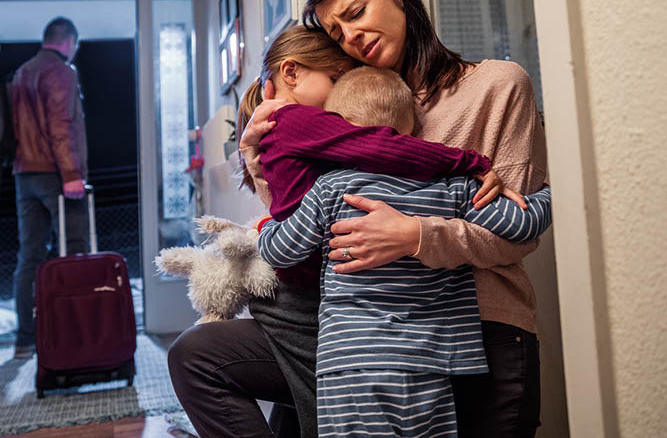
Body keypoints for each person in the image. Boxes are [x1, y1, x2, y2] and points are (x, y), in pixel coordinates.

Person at [251, 0, 546, 436]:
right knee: (204, 354)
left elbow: (514, 235)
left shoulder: (496, 85)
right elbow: (307, 215)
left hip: (480, 330)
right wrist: (255, 157)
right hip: (370, 337)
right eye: (337, 32)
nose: (351, 36)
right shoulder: (349, 104)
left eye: (356, 12)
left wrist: (415, 236)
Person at [168, 26, 509, 438]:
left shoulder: (294, 130)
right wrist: (468, 161)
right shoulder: (297, 121)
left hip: (325, 297)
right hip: (314, 291)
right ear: (292, 73)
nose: (341, 98)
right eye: (335, 81)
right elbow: (379, 145)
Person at [10, 16, 88, 359]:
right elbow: (61, 124)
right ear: (68, 41)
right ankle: (74, 335)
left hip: (24, 174)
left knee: (30, 257)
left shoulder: (22, 71)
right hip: (55, 174)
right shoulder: (61, 72)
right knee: (74, 249)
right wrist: (71, 172)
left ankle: (26, 340)